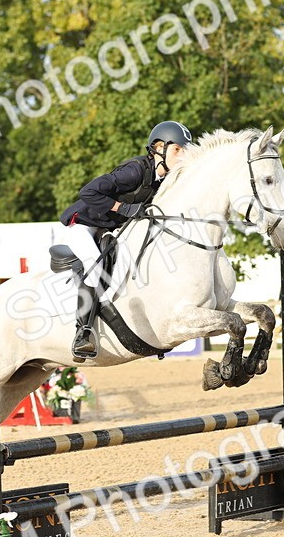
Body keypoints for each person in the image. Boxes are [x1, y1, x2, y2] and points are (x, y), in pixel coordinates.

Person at [58, 120, 192, 359]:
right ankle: (83, 333)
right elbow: (88, 192)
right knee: (96, 267)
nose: (182, 156)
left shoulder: (164, 182)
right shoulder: (135, 171)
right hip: (85, 224)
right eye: (177, 150)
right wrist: (123, 208)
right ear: (159, 147)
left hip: (110, 229)